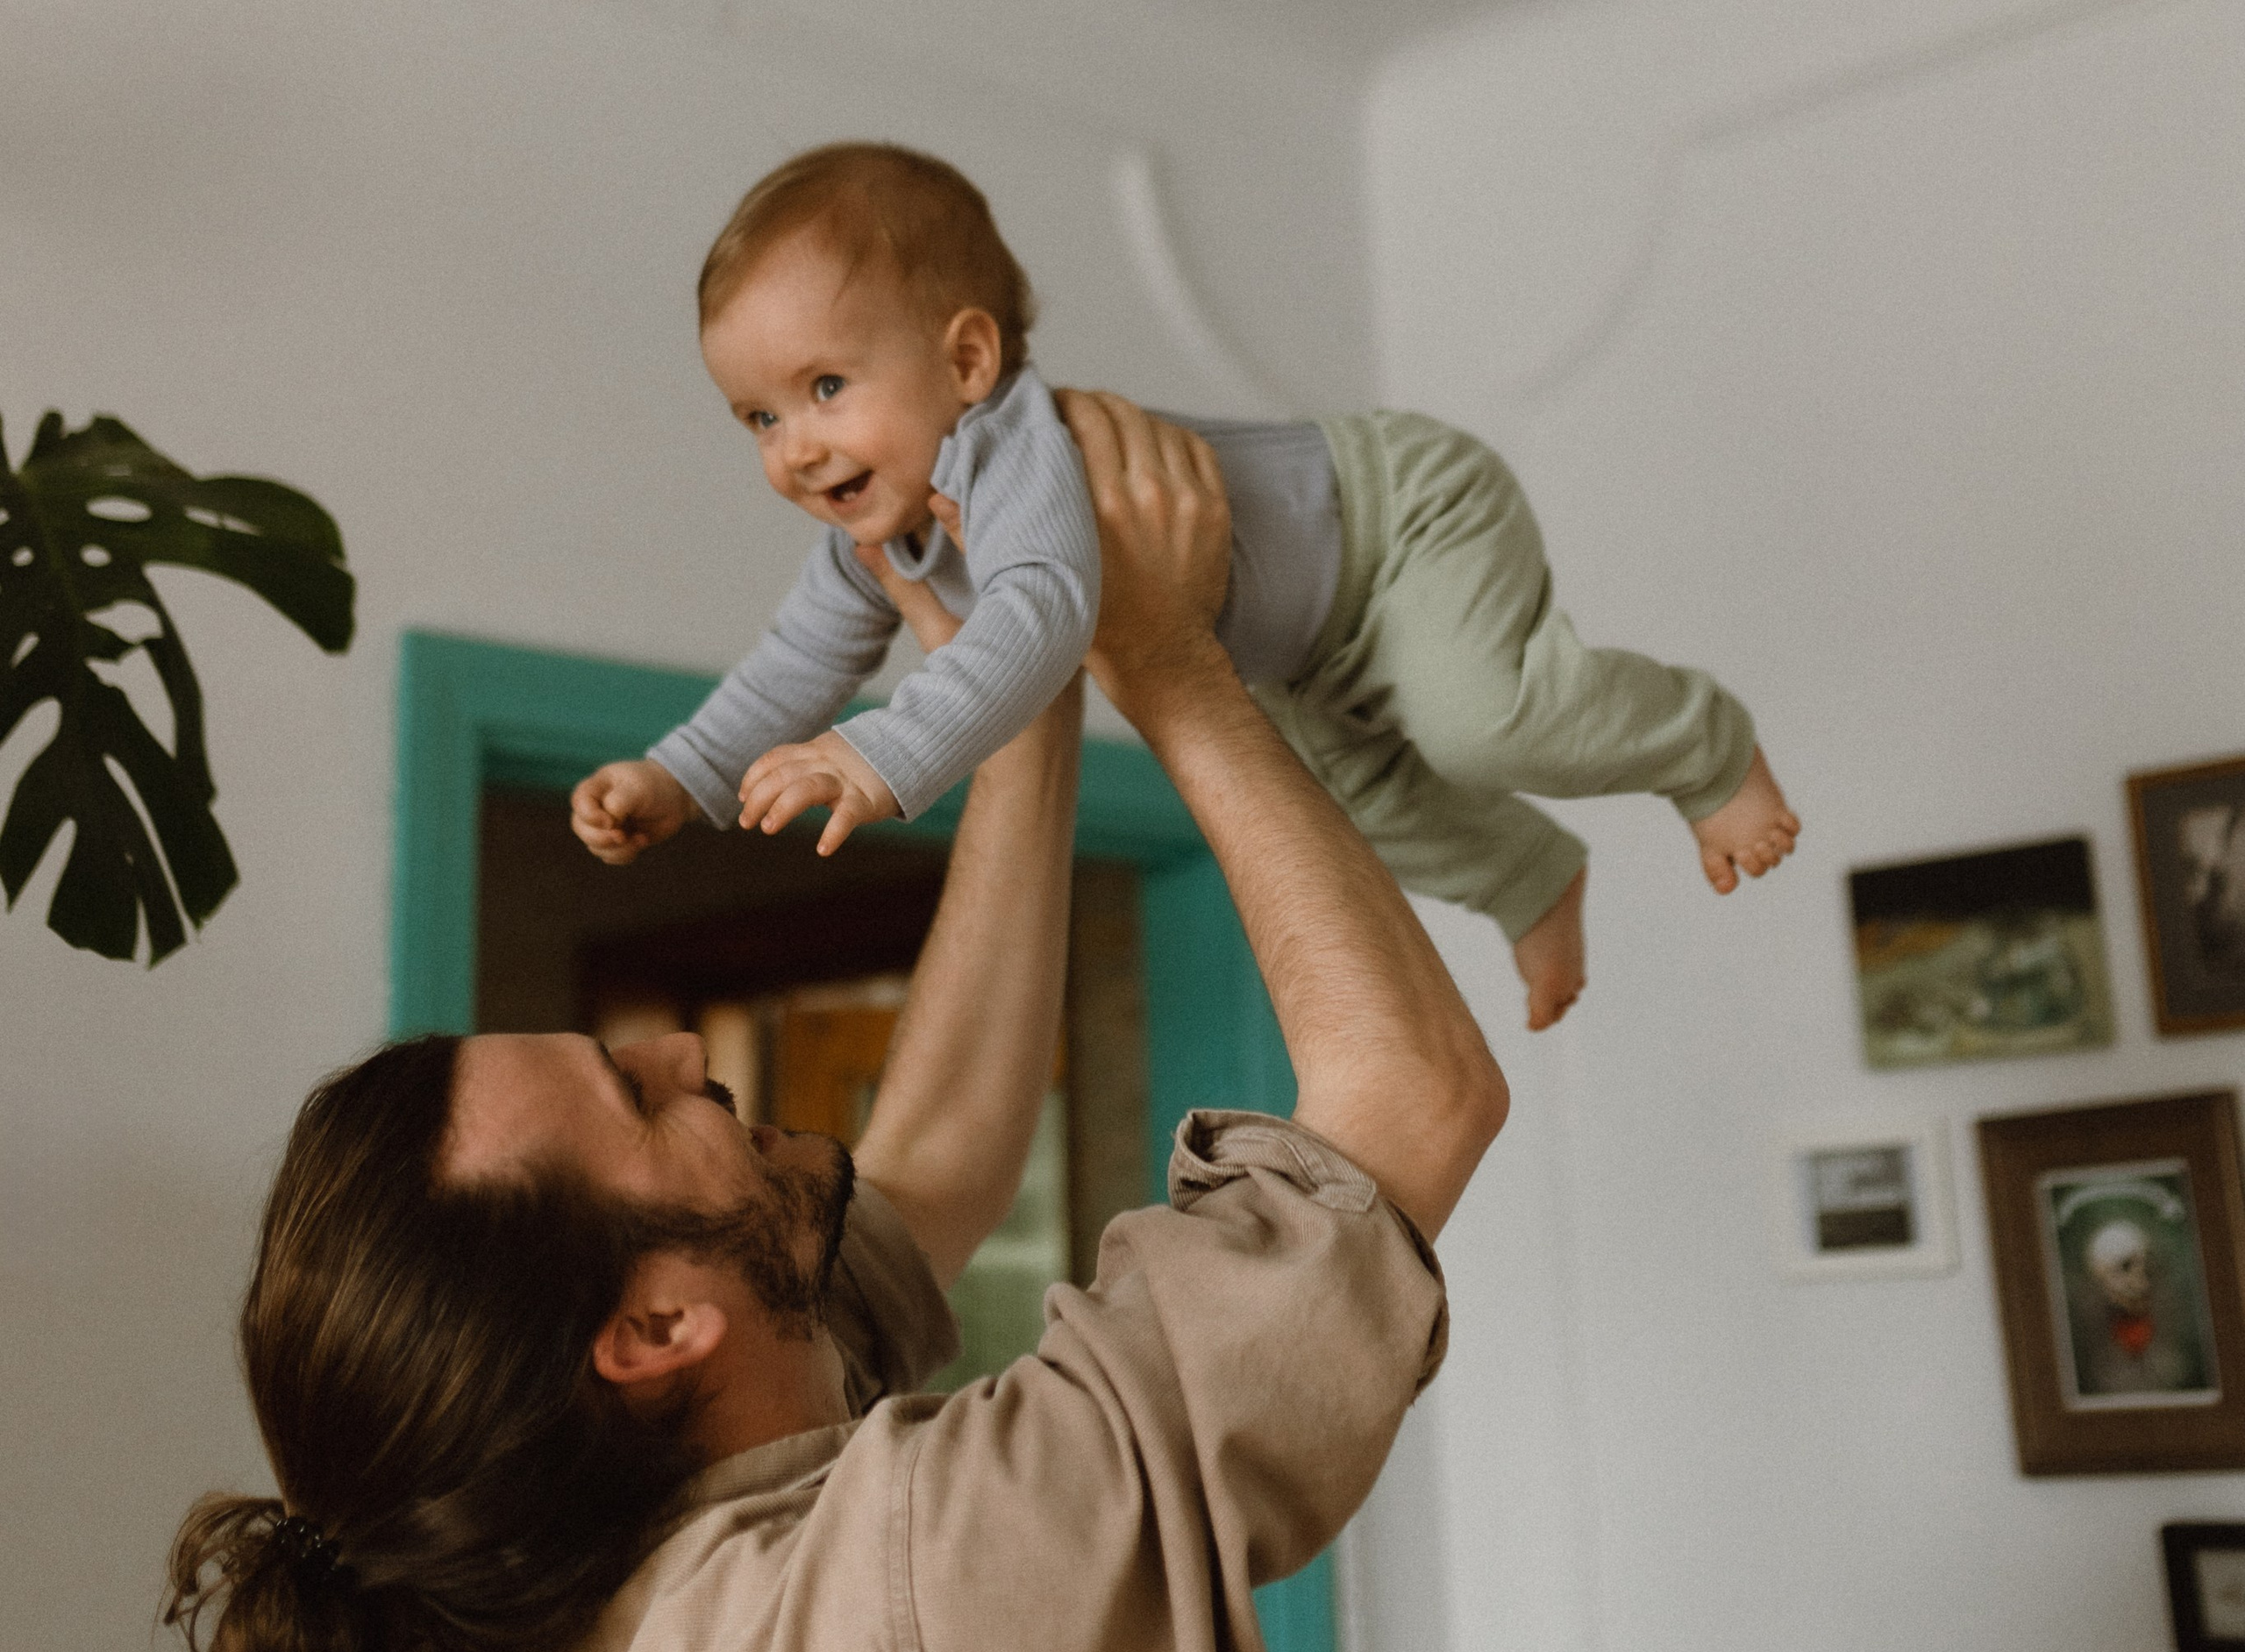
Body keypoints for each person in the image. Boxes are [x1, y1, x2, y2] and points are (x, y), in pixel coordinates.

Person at [167, 399, 1509, 1652]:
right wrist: (1163, 654)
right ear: (656, 1333)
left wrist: (1010, 704)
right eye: (636, 1099)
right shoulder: (927, 1587)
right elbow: (1411, 1097)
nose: (681, 1053)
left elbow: (933, 1159)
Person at [571, 139, 1799, 1030]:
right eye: (757, 416)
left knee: (1478, 722)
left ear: (966, 357)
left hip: (1395, 525)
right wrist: (682, 775)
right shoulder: (873, 540)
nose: (794, 446)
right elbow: (793, 664)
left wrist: (881, 753)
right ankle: (1530, 877)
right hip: (1299, 650)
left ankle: (1704, 747)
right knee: (1365, 810)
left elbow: (1042, 618)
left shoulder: (1016, 448)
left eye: (827, 388)